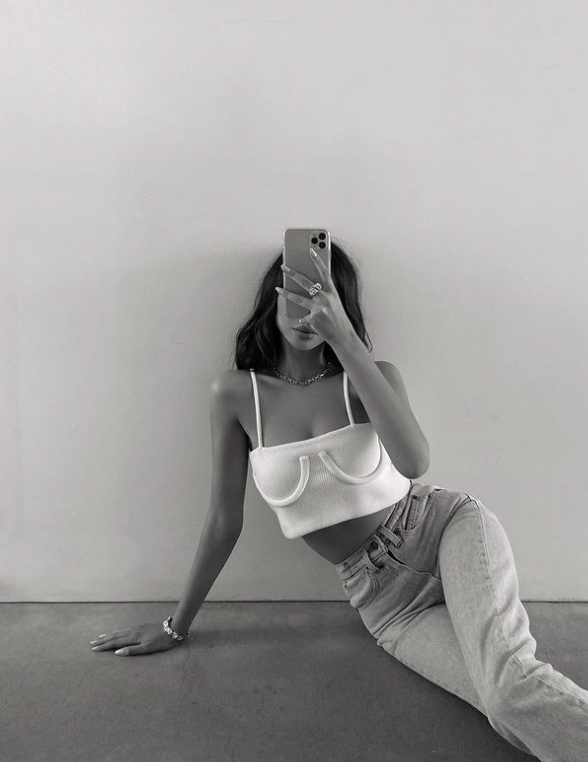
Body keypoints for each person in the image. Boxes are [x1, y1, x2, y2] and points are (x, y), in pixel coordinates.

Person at [90, 240, 588, 760]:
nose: (307, 313)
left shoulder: (371, 377)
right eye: (297, 295)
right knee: (498, 704)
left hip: (446, 531)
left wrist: (345, 341)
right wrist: (175, 627)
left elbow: (415, 462)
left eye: (323, 298)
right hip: (388, 605)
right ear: (272, 297)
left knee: (510, 690)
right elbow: (223, 520)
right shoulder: (236, 394)